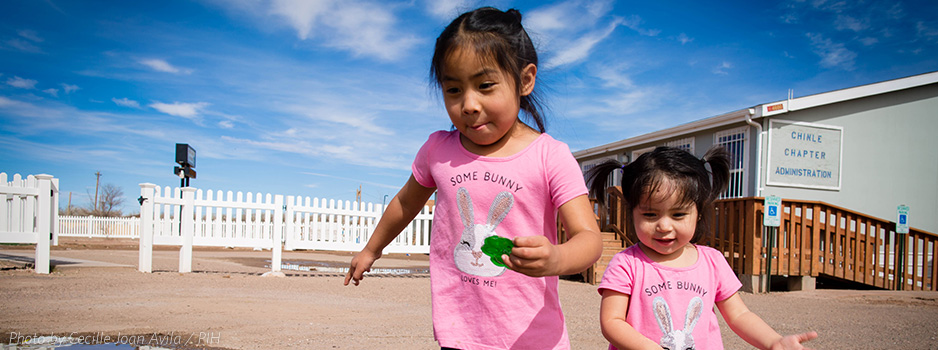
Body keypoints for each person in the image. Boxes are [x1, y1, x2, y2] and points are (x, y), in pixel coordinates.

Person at [343, 6, 602, 350]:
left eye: (485, 85)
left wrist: (557, 258)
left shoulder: (549, 155)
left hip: (533, 337)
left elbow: (589, 238)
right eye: (453, 90)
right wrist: (371, 249)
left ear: (525, 80)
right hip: (460, 334)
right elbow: (406, 203)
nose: (468, 104)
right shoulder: (438, 150)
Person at [587, 146, 818, 350]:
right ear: (632, 212)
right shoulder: (627, 264)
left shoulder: (712, 261)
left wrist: (773, 341)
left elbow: (739, 315)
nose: (664, 226)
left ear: (698, 213)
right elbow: (612, 322)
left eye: (678, 214)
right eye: (650, 214)